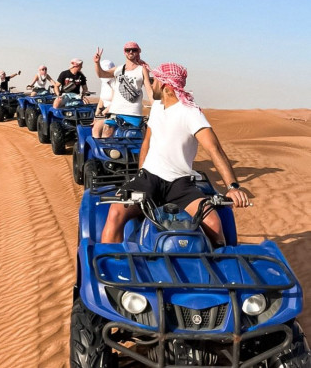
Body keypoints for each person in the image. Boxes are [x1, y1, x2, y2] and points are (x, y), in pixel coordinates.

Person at [101, 62, 250, 246]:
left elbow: (214, 149)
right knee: (116, 212)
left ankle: (219, 267)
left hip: (180, 184)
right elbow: (147, 142)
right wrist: (140, 173)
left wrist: (233, 186)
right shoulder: (156, 106)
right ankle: (112, 267)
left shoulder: (191, 112)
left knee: (214, 224)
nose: (151, 84)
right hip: (150, 179)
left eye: (154, 80)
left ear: (164, 85)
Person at [94, 42, 153, 137]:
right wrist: (97, 63)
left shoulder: (142, 70)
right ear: (124, 52)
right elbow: (102, 74)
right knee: (106, 135)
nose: (130, 52)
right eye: (127, 50)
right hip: (116, 111)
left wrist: (156, 108)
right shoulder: (118, 69)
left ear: (138, 52)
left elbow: (149, 90)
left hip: (133, 113)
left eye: (134, 50)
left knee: (134, 140)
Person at [92, 60, 115, 138]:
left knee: (98, 129)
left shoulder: (116, 82)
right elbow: (102, 100)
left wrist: (103, 113)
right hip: (105, 112)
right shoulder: (104, 83)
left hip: (114, 112)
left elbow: (116, 101)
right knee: (94, 128)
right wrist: (96, 115)